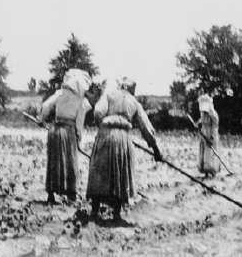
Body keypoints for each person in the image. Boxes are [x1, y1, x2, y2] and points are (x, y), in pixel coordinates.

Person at [86, 77, 162, 222]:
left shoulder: (108, 95)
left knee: (99, 170)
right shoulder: (134, 102)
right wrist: (156, 150)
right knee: (120, 173)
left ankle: (94, 211)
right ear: (131, 89)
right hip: (122, 138)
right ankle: (116, 213)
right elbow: (145, 127)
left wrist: (103, 126)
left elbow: (97, 113)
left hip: (105, 134)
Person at [39, 68, 92, 204]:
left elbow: (45, 106)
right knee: (70, 162)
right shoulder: (81, 101)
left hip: (55, 130)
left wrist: (42, 119)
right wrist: (79, 137)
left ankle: (51, 194)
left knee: (54, 162)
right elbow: (79, 122)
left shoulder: (59, 93)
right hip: (68, 132)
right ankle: (71, 195)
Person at [197, 95, 220, 178]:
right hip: (203, 135)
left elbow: (215, 127)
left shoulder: (213, 115)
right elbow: (201, 122)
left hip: (210, 135)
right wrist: (198, 125)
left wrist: (212, 137)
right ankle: (205, 172)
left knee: (210, 154)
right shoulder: (203, 114)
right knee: (203, 153)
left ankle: (213, 172)